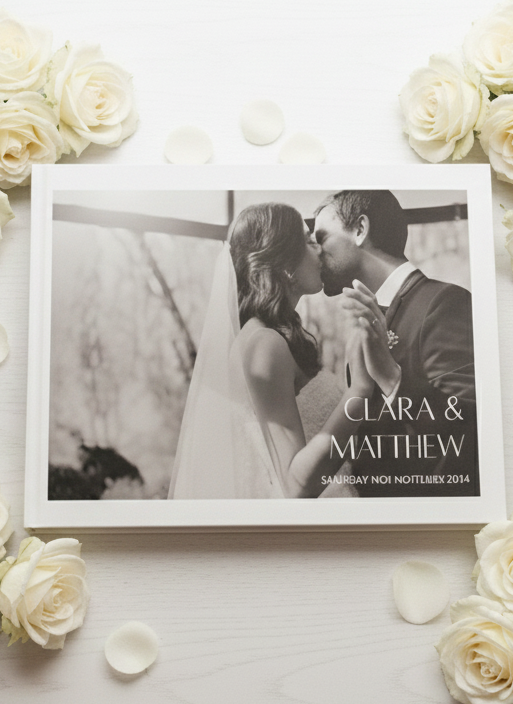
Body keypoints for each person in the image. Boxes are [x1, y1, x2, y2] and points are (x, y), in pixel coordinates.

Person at [168, 203, 376, 499]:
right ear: (282, 263)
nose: (318, 250)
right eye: (307, 241)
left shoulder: (270, 338)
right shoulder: (264, 345)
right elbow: (294, 486)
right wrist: (360, 390)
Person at [312, 190, 479, 497]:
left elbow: (469, 432)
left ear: (360, 230)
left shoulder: (445, 303)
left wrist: (391, 376)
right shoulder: (363, 318)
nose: (315, 252)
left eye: (321, 238)